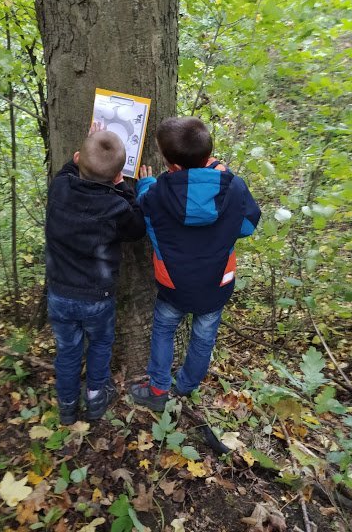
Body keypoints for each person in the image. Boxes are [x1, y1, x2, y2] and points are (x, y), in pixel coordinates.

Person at [130, 117, 261, 411]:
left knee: (164, 330)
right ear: (208, 155)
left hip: (174, 286)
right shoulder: (234, 187)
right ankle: (187, 386)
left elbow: (146, 214)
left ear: (173, 166)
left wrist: (146, 184)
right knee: (203, 338)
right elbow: (247, 226)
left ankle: (158, 388)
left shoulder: (156, 194)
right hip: (216, 284)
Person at [46, 123, 146, 424]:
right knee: (100, 345)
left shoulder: (60, 188)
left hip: (60, 294)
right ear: (117, 176)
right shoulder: (117, 206)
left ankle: (66, 405)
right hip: (97, 298)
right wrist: (125, 187)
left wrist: (86, 146)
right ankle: (95, 396)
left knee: (67, 351)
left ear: (77, 158)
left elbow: (67, 169)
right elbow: (137, 228)